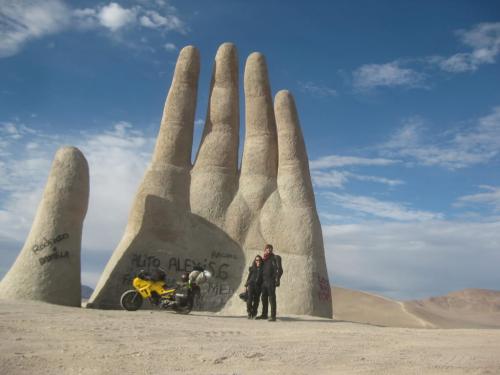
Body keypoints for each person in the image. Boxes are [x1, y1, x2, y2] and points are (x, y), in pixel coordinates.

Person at [256, 244, 283, 322]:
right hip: (264, 281)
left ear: (272, 250)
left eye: (270, 249)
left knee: (272, 298)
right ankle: (264, 314)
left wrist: (277, 279)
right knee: (264, 298)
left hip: (271, 281)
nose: (269, 250)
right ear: (265, 250)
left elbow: (280, 270)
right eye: (267, 249)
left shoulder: (275, 258)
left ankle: (273, 316)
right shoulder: (264, 259)